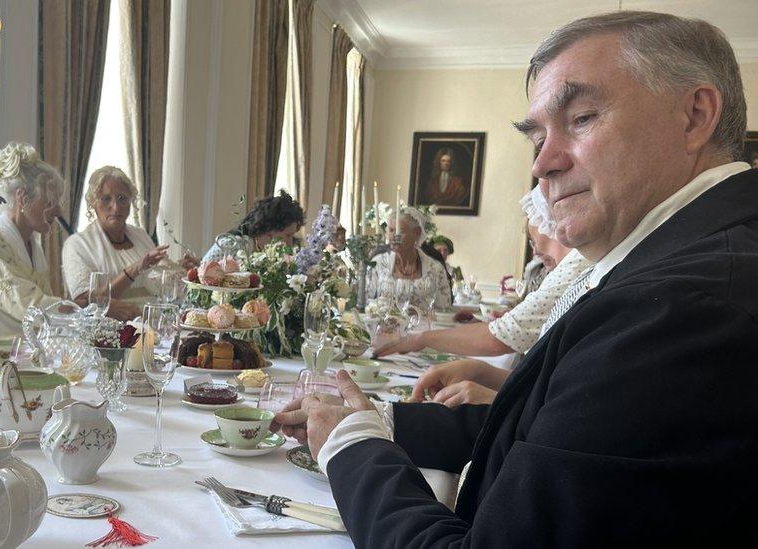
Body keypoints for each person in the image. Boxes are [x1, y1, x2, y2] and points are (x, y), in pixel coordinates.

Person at [275, 12, 758, 546]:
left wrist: (352, 445)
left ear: (694, 116)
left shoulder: (681, 308)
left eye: (582, 117)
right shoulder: (683, 259)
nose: (542, 164)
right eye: (537, 136)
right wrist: (384, 420)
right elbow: (550, 431)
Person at [376, 187, 589, 358]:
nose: (534, 251)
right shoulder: (574, 264)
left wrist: (420, 339)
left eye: (531, 237)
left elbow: (503, 337)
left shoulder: (576, 265)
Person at [0, 142, 67, 346]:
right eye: (50, 202)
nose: (58, 212)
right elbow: (26, 304)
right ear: (23, 198)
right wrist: (79, 312)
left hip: (30, 352)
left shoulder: (34, 245)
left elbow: (45, 312)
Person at [61, 166, 197, 320]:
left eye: (122, 199)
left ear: (131, 202)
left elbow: (158, 282)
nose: (116, 207)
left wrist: (181, 271)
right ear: (93, 203)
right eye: (106, 199)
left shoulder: (140, 235)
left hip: (152, 323)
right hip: (106, 330)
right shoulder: (77, 245)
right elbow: (85, 302)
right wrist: (135, 269)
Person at [370, 207, 452, 310]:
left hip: (426, 325)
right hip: (386, 325)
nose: (394, 236)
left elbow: (444, 307)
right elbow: (365, 302)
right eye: (391, 230)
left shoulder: (435, 269)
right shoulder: (378, 263)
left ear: (417, 233)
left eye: (400, 231)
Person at [202, 190, 305, 261]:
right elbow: (199, 281)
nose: (290, 243)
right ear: (270, 230)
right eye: (288, 236)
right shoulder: (231, 246)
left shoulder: (274, 257)